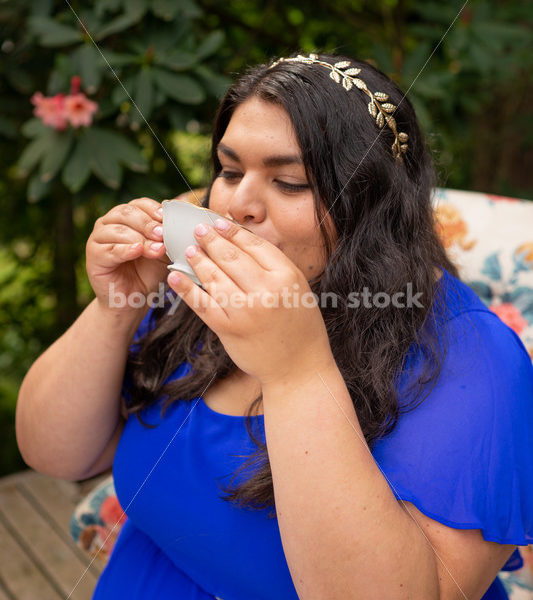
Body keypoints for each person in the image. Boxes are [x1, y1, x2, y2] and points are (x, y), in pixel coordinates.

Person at [16, 52, 533, 600]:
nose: (237, 204)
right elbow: (56, 454)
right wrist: (116, 307)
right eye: (230, 170)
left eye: (289, 182)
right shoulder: (194, 286)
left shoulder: (474, 361)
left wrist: (297, 373)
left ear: (375, 202)